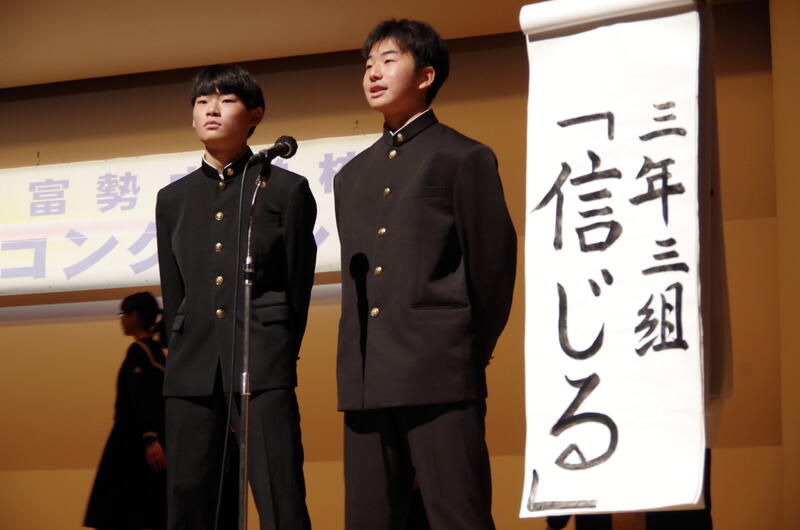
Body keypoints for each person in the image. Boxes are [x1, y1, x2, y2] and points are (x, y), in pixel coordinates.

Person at [333, 19, 517, 530]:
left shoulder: (464, 157)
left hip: (440, 371)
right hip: (366, 378)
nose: (373, 72)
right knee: (367, 520)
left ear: (426, 75)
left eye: (389, 60)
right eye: (368, 64)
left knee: (458, 516)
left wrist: (465, 351)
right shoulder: (350, 176)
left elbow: (493, 268)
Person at [155, 64, 317, 530]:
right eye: (202, 102)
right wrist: (181, 349)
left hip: (261, 357)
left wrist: (279, 349)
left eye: (226, 100)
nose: (211, 109)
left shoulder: (285, 189)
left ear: (254, 116)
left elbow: (298, 284)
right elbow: (174, 290)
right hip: (191, 365)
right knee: (187, 498)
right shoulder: (173, 198)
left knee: (279, 493)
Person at [84, 291, 168, 530]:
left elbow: (142, 399)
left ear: (135, 315)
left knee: (119, 511)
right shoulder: (157, 353)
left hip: (132, 441)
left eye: (123, 313)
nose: (121, 319)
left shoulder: (139, 352)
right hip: (145, 439)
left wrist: (149, 438)